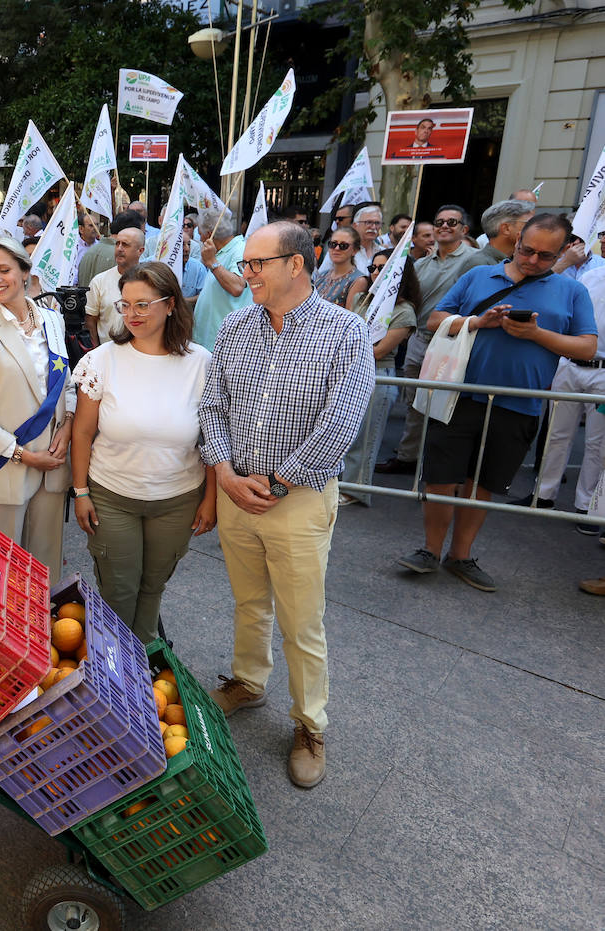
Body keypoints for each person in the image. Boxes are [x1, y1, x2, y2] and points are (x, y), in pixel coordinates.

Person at [199, 221, 375, 789]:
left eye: (256, 264)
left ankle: (309, 724)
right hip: (236, 492)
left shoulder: (346, 332)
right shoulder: (236, 328)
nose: (244, 273)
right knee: (249, 602)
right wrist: (225, 472)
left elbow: (341, 423)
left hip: (297, 499)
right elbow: (213, 409)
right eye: (245, 264)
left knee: (303, 622)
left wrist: (275, 482)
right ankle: (249, 683)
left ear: (295, 265)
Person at [397, 214, 596, 591]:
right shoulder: (478, 275)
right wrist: (475, 322)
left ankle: (461, 555)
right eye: (527, 250)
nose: (533, 261)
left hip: (519, 404)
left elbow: (587, 345)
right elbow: (435, 319)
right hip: (459, 394)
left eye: (545, 256)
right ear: (518, 239)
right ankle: (429, 550)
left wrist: (537, 334)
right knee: (440, 478)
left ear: (562, 253)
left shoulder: (571, 291)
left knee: (483, 483)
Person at [70, 262, 214, 640]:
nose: (132, 314)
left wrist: (210, 499)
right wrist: (80, 491)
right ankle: (116, 674)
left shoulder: (201, 363)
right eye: (126, 305)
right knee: (119, 592)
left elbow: (213, 438)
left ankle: (144, 666)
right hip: (111, 496)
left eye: (143, 305)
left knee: (152, 589)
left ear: (170, 305)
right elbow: (82, 433)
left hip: (178, 499)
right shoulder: (101, 360)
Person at [0, 236, 75, 577]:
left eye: (4, 270)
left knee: (45, 571)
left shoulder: (52, 320)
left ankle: (43, 631)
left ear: (25, 272)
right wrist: (23, 455)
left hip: (52, 468)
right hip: (2, 471)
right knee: (0, 576)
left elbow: (66, 384)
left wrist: (66, 425)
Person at [377, 204, 494, 474]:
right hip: (420, 339)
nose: (444, 226)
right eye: (439, 221)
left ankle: (438, 460)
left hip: (454, 341)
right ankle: (408, 457)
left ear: (464, 230)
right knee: (414, 401)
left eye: (452, 222)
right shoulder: (421, 263)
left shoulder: (475, 261)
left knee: (447, 403)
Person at [340, 249, 419, 506]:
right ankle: (340, 483)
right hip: (348, 371)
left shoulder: (404, 310)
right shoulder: (362, 298)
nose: (375, 273)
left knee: (366, 436)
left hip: (378, 376)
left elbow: (379, 351)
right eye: (373, 268)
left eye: (382, 268)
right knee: (345, 433)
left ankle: (355, 490)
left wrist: (345, 346)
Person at [531, 264, 605, 531]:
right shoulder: (590, 276)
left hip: (603, 373)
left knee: (598, 443)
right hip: (570, 366)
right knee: (556, 434)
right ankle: (543, 495)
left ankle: (586, 506)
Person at [194, 208, 251, 350]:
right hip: (210, 341)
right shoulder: (219, 252)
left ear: (208, 234)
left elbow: (237, 287)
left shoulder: (239, 249)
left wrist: (213, 262)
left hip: (224, 343)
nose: (199, 238)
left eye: (199, 232)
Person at [85, 226, 144, 346]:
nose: (119, 249)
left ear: (140, 251)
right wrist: (96, 352)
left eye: (125, 245)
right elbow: (90, 320)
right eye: (117, 244)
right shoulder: (99, 281)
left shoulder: (150, 281)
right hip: (108, 357)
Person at [312, 227, 368, 309]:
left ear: (354, 250)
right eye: (333, 244)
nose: (337, 249)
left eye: (343, 245)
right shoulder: (321, 275)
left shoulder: (358, 281)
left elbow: (351, 317)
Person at [478, 199, 535, 264]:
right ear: (506, 229)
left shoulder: (515, 261)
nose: (534, 229)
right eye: (529, 223)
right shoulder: (479, 262)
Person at [351, 204, 383, 273]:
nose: (373, 227)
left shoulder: (383, 252)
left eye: (377, 223)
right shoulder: (341, 249)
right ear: (355, 225)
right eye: (368, 222)